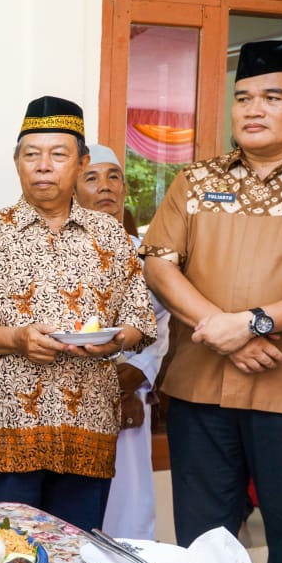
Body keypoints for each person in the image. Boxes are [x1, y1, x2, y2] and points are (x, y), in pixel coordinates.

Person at [140, 40, 282, 563]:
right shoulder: (196, 181)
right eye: (243, 97)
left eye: (272, 96)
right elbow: (159, 265)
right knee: (203, 548)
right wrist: (227, 331)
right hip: (199, 391)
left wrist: (254, 321)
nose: (253, 109)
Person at [0, 96, 156, 532]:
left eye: (58, 154)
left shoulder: (109, 235)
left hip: (89, 424)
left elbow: (140, 316)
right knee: (5, 557)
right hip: (4, 426)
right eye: (31, 154)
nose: (43, 166)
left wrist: (116, 340)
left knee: (77, 557)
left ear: (81, 162)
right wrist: (16, 339)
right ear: (16, 162)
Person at [75, 144, 170, 540]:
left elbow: (163, 320)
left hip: (127, 396)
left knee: (126, 506)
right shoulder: (59, 251)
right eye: (92, 178)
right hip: (71, 395)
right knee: (74, 507)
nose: (105, 187)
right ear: (73, 188)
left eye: (113, 177)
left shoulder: (144, 258)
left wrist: (137, 373)